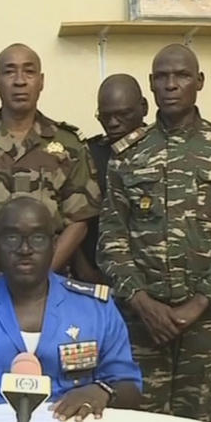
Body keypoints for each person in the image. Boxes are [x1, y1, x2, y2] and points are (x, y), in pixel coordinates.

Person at [98, 44, 211, 422]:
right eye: (162, 77)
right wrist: (142, 302)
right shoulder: (128, 154)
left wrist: (198, 304)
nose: (171, 85)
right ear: (151, 86)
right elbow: (111, 239)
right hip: (142, 324)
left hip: (208, 324)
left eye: (182, 76)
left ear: (199, 82)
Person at [0, 197, 142, 421]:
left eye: (38, 238)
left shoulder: (96, 308)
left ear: (54, 245)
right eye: (12, 238)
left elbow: (130, 386)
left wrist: (102, 391)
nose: (25, 249)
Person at [0, 43, 101, 284]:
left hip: (52, 283)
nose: (19, 81)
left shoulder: (69, 144)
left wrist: (42, 278)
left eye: (29, 71)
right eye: (9, 72)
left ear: (41, 81)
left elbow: (79, 220)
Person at [73, 74, 148, 284]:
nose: (113, 123)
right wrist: (85, 271)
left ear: (144, 107)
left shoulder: (166, 151)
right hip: (97, 277)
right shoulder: (89, 155)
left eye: (123, 114)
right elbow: (70, 219)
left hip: (154, 280)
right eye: (106, 116)